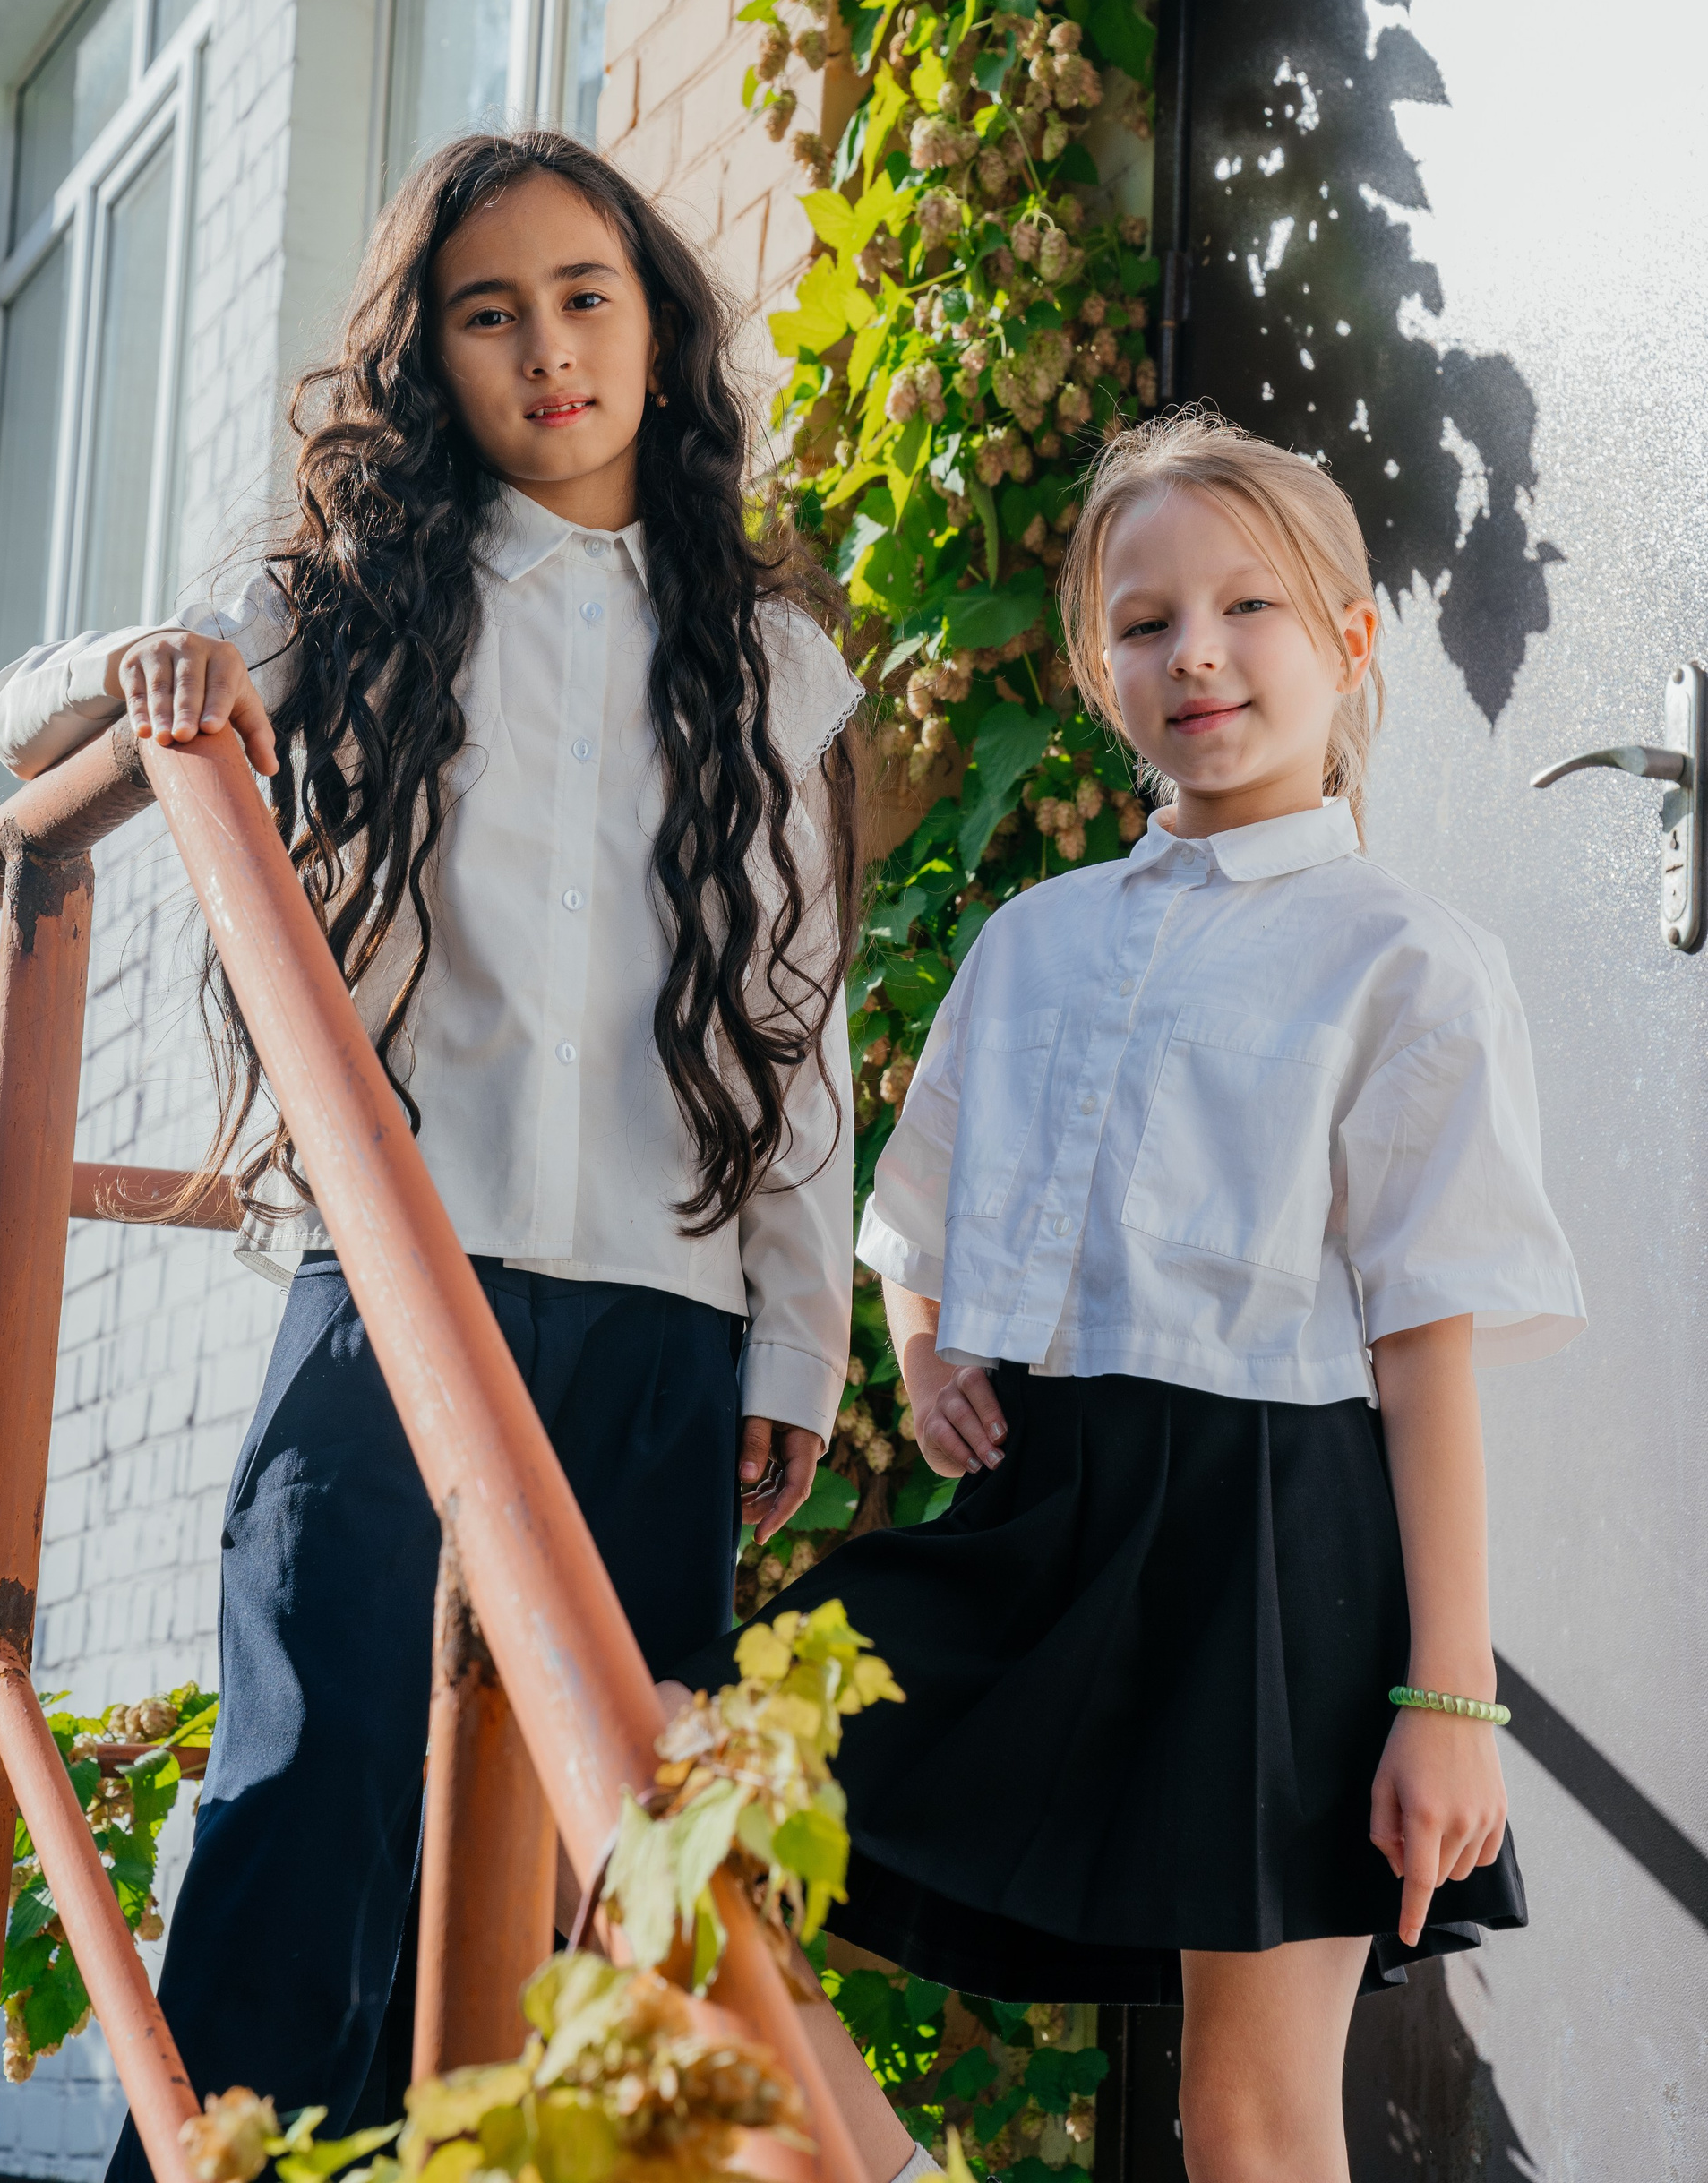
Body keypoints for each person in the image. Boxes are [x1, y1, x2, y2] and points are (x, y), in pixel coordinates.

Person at [0, 133, 863, 2171]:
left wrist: (799, 1341)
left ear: (656, 327)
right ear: (429, 361)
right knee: (307, 1802)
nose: (548, 349)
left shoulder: (772, 660)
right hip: (390, 1289)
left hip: (660, 1315)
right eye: (491, 314)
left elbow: (798, 1018)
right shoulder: (345, 600)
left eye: (585, 297)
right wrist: (137, 668)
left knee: (595, 1883)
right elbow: (25, 723)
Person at [670, 413, 1586, 2183]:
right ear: (1099, 671)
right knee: (686, 1793)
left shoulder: (1407, 962)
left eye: (1250, 607)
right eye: (1147, 623)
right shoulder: (1034, 943)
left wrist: (1449, 1701)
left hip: (1283, 1553)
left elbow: (1426, 1356)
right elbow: (922, 1226)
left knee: (1246, 2117)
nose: (1198, 654)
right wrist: (928, 1359)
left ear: (1350, 640)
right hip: (1043, 1527)